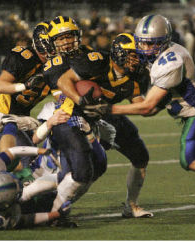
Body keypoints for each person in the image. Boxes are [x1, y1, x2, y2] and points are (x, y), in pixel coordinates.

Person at [82, 14, 195, 220]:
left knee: (188, 159)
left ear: (164, 41)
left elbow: (148, 107)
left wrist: (108, 110)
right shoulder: (155, 57)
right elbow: (151, 110)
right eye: (141, 43)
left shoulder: (171, 59)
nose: (144, 49)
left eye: (150, 44)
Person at [45, 18, 157, 217]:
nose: (135, 60)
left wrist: (158, 101)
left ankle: (131, 205)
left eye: (138, 56)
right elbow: (63, 83)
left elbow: (141, 104)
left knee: (140, 156)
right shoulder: (95, 62)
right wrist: (82, 102)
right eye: (131, 56)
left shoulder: (136, 74)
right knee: (82, 167)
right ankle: (52, 204)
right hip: (78, 114)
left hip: (108, 114)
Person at [0, 21, 53, 170]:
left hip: (23, 120)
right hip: (3, 116)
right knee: (27, 160)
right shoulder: (24, 57)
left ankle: (3, 182)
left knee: (25, 163)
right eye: (55, 41)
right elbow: (0, 86)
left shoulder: (56, 65)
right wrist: (25, 85)